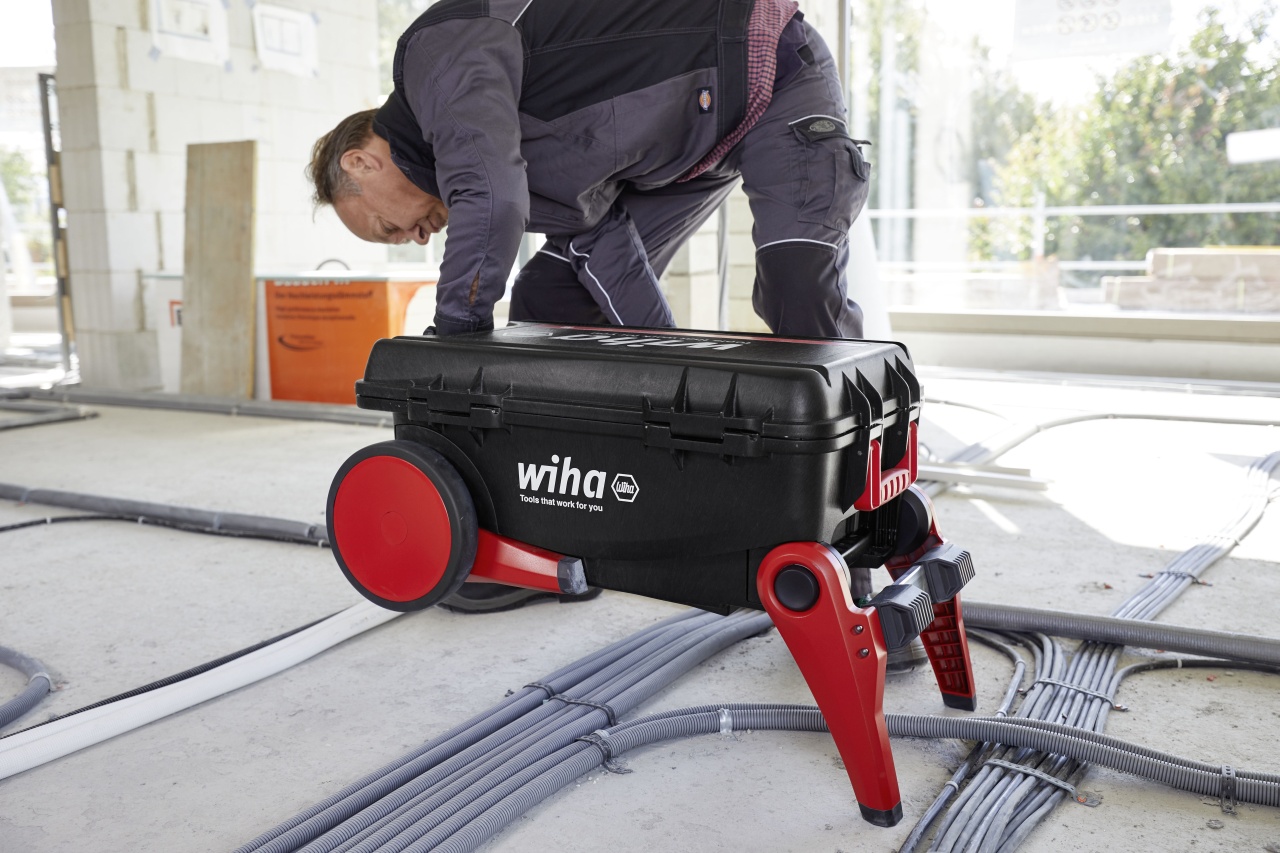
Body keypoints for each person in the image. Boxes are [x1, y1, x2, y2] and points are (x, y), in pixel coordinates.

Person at [309, 0, 870, 611]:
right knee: (550, 300)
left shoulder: (437, 54)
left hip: (770, 72)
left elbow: (491, 199)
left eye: (388, 229)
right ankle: (548, 536)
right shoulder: (509, 155)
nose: (415, 238)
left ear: (361, 162)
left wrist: (455, 343)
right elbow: (606, 253)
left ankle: (851, 545)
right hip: (685, 155)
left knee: (801, 299)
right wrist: (680, 377)